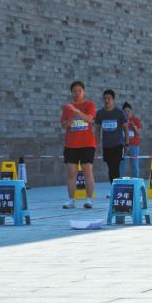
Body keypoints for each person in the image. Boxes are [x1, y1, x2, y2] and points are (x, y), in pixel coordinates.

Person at [61, 81, 97, 209]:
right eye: (74, 91)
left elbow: (90, 119)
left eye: (79, 91)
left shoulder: (90, 104)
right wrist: (72, 116)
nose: (77, 93)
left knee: (87, 172)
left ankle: (89, 200)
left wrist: (77, 112)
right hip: (71, 145)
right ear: (71, 92)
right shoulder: (67, 107)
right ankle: (71, 200)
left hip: (87, 144)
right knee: (71, 173)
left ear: (84, 92)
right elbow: (64, 125)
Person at [95, 89, 128, 184]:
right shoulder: (100, 113)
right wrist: (97, 144)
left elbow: (126, 129)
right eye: (105, 98)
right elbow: (97, 130)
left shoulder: (120, 113)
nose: (106, 100)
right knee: (110, 167)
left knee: (115, 166)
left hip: (118, 144)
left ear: (113, 100)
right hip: (106, 145)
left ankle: (116, 187)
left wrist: (127, 143)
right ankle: (113, 186)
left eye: (109, 98)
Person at [122, 102, 142, 179]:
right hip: (123, 146)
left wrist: (134, 126)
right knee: (122, 166)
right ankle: (121, 181)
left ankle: (136, 181)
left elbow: (138, 132)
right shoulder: (120, 120)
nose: (126, 113)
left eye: (128, 111)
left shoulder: (136, 120)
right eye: (125, 111)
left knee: (135, 165)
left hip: (134, 146)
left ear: (131, 111)